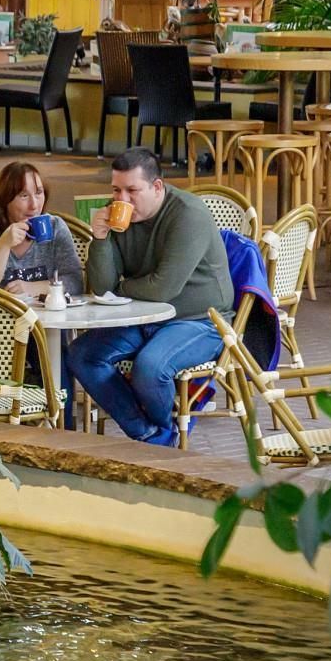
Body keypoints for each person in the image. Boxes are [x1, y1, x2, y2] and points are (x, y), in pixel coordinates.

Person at [65, 147, 234, 445]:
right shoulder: (117, 214)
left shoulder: (188, 214)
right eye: (116, 190)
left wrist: (122, 289)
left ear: (157, 187)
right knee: (81, 355)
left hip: (200, 320)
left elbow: (162, 289)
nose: (122, 200)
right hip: (141, 316)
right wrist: (100, 239)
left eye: (132, 191)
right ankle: (151, 434)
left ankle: (160, 440)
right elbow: (102, 288)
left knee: (151, 368)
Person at [0, 161, 85, 297]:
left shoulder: (55, 227)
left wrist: (35, 288)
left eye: (38, 193)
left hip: (45, 311)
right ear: (5, 200)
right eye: (24, 196)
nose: (34, 205)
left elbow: (75, 283)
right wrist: (4, 244)